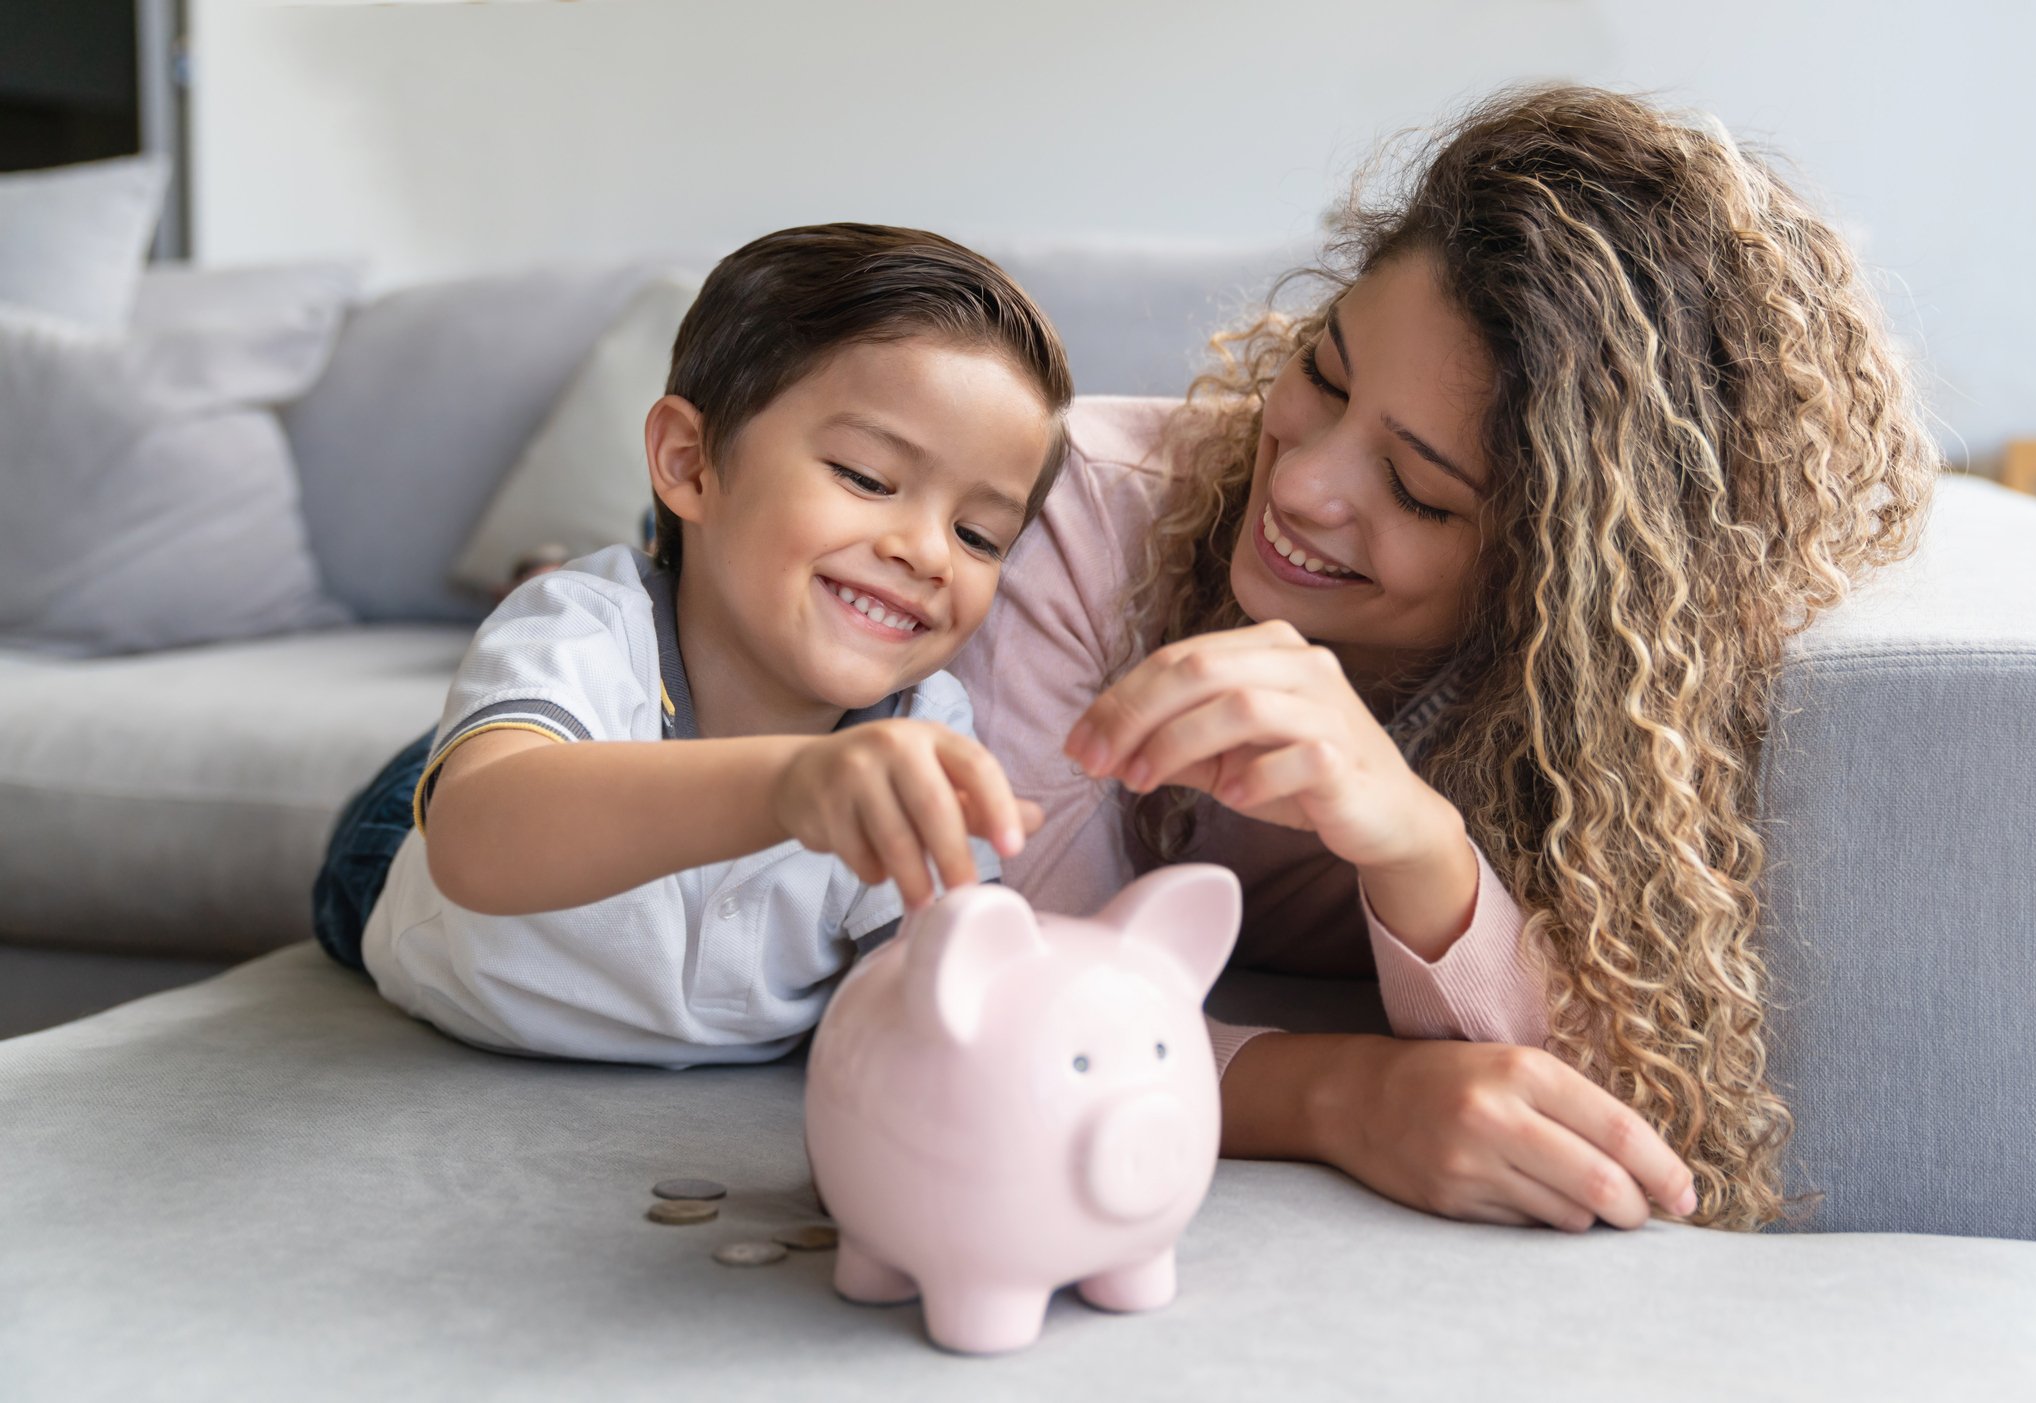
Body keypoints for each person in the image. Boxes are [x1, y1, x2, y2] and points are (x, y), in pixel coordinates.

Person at [950, 85, 1938, 1233]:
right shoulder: (1071, 523)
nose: (1306, 482)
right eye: (1322, 373)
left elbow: (1635, 1093)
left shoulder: (1624, 692)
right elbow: (1014, 1001)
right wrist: (1343, 1094)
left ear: (1555, 571)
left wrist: (1415, 840)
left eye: (1418, 491)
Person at [311, 223, 1073, 1067]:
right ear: (689, 461)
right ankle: (543, 611)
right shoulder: (588, 629)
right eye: (864, 478)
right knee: (507, 697)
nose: (926, 552)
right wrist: (789, 787)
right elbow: (473, 840)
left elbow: (935, 998)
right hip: (412, 851)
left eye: (977, 535)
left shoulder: (925, 730)